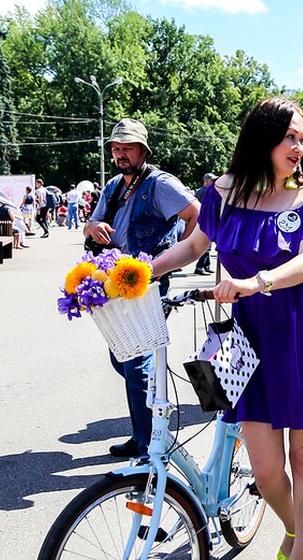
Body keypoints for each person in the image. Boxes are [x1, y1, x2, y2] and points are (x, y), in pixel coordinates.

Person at [152, 97, 303, 560]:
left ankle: (299, 551)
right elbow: (192, 248)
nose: (299, 147)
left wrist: (255, 281)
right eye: (290, 137)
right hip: (243, 339)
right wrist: (144, 271)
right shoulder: (223, 192)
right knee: (265, 471)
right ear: (262, 138)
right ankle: (292, 527)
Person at [84, 118, 200, 460]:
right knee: (124, 357)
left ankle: (148, 443)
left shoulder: (161, 184)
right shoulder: (114, 187)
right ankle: (147, 432)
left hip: (148, 282)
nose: (120, 154)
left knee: (136, 362)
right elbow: (92, 222)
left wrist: (178, 252)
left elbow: (198, 215)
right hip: (115, 283)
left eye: (127, 148)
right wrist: (93, 226)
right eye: (116, 148)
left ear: (143, 151)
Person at [193, 172, 217, 275]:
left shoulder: (199, 191)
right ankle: (199, 267)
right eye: (212, 180)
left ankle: (206, 265)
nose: (214, 182)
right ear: (207, 181)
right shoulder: (207, 192)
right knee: (206, 246)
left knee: (208, 245)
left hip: (201, 221)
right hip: (206, 222)